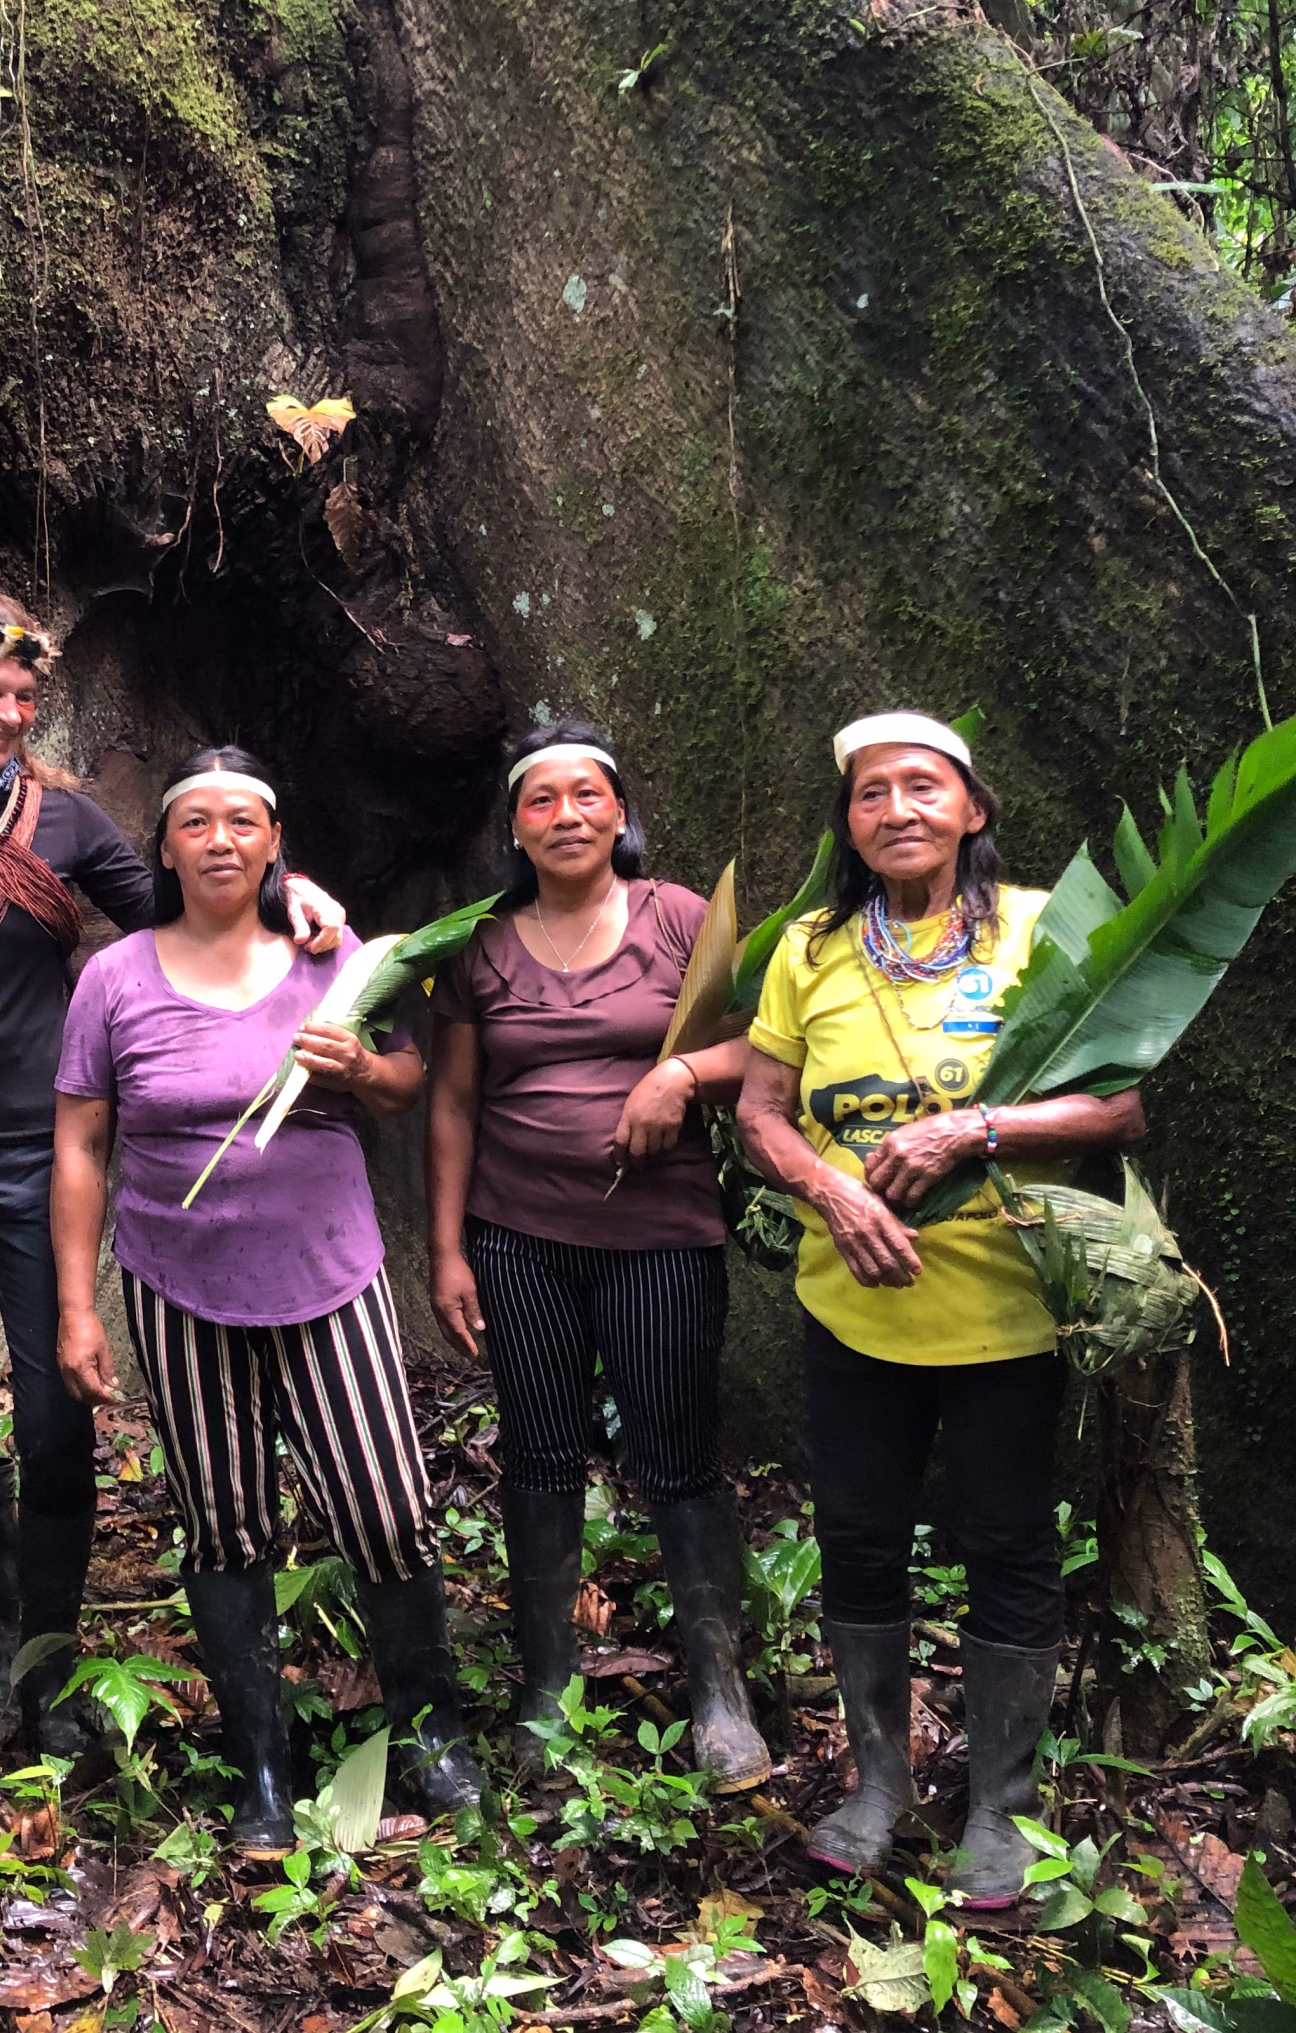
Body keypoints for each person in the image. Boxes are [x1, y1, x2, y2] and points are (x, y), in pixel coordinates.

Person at [0, 591, 342, 1749]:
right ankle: (0, 1658)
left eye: (23, 698)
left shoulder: (70, 828)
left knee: (54, 1411)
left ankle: (48, 1649)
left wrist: (289, 889)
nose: (5, 713)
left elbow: (192, 914)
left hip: (34, 1157)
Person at [737, 710, 1146, 1905]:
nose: (897, 810)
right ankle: (879, 1786)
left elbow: (1117, 1108)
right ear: (849, 823)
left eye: (923, 788)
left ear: (973, 809)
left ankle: (1002, 1813)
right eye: (871, 794)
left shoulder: (1041, 932)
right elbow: (762, 1108)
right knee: (860, 1536)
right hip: (852, 1305)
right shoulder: (810, 949)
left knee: (1006, 1544)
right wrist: (829, 1185)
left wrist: (974, 1125)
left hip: (1008, 1312)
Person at [51, 746, 484, 1848]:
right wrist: (76, 1304)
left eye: (244, 820)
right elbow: (81, 1143)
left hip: (329, 1272)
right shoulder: (117, 976)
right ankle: (262, 1767)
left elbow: (401, 1083)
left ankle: (430, 1732)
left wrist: (355, 1069)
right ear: (165, 846)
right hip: (177, 1282)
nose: (221, 839)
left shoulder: (329, 957)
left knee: (386, 1510)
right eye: (195, 822)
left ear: (274, 841)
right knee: (226, 1523)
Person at [425, 723, 769, 1793]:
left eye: (588, 797)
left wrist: (677, 1081)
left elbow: (769, 1046)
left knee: (677, 1456)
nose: (567, 815)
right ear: (515, 828)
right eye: (541, 801)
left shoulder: (681, 919)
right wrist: (444, 1249)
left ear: (620, 814)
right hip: (518, 1237)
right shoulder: (479, 943)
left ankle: (719, 1694)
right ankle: (547, 1690)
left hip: (661, 1235)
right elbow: (451, 1099)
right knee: (539, 1454)